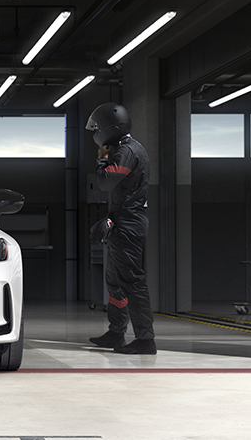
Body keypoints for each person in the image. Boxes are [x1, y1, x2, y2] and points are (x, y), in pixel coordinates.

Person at [86, 102, 156, 355]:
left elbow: (106, 182)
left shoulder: (126, 151)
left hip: (128, 222)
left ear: (107, 128)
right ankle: (116, 332)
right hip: (123, 220)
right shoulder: (127, 147)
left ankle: (145, 339)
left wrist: (102, 160)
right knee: (115, 281)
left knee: (132, 281)